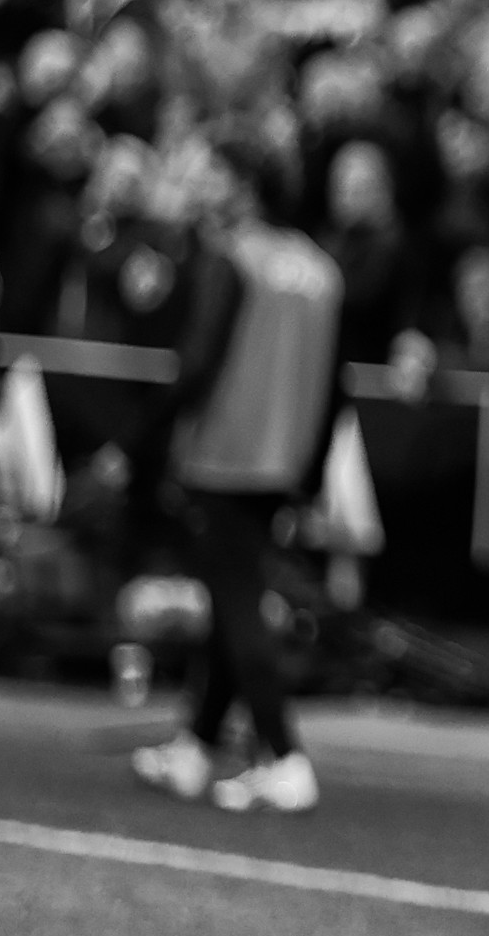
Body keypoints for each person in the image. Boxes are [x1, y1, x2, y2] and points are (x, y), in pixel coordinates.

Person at [128, 144, 345, 817]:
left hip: (223, 452)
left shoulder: (230, 256)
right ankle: (196, 745)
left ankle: (283, 753)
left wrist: (141, 440)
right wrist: (309, 470)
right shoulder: (319, 268)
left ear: (245, 186)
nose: (200, 184)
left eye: (213, 173)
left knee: (239, 602)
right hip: (284, 460)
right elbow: (337, 382)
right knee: (234, 599)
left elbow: (198, 361)